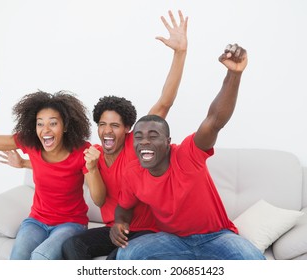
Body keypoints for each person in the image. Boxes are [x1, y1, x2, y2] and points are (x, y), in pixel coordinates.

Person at [0, 10, 188, 260]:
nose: (107, 131)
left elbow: (164, 104)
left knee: (115, 261)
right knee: (72, 248)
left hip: (144, 230)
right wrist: (24, 162)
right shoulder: (93, 154)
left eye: (115, 126)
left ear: (128, 129)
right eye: (102, 124)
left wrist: (180, 53)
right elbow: (61, 170)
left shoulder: (135, 145)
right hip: (112, 229)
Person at [110, 44, 266, 260]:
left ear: (168, 142)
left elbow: (214, 121)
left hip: (216, 237)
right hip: (171, 239)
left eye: (153, 136)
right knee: (127, 255)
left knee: (254, 260)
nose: (144, 142)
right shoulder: (133, 172)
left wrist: (234, 74)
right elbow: (124, 208)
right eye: (138, 137)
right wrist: (120, 223)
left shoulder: (187, 156)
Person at [0, 90, 93, 260]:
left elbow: (96, 193)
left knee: (40, 257)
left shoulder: (82, 151)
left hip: (71, 224)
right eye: (40, 124)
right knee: (18, 257)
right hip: (37, 221)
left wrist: (93, 168)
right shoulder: (32, 144)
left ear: (65, 126)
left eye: (53, 123)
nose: (45, 130)